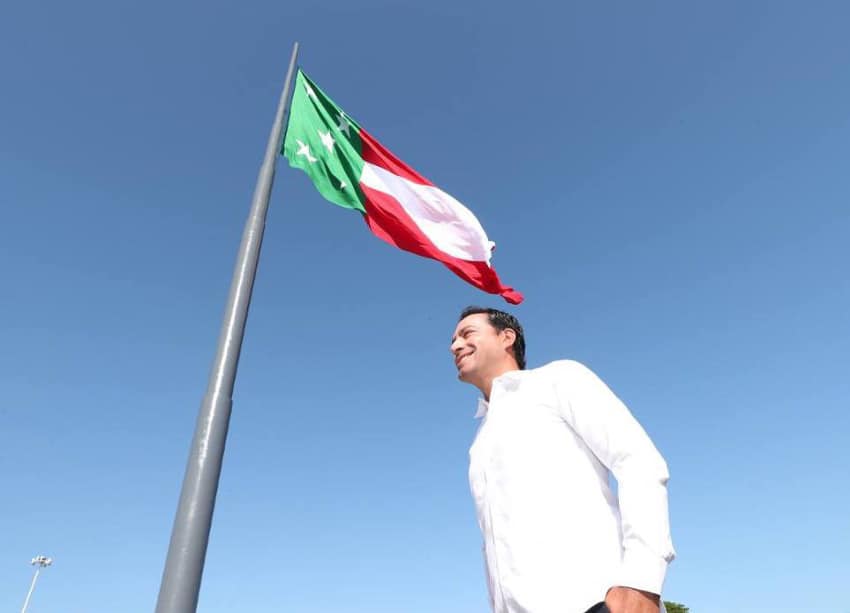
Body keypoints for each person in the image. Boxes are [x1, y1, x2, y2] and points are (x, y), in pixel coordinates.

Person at [450, 306, 675, 613]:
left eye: (467, 334)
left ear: (506, 337)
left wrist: (642, 580)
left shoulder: (557, 380)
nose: (455, 346)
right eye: (453, 339)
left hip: (593, 601)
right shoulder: (479, 443)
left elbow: (638, 461)